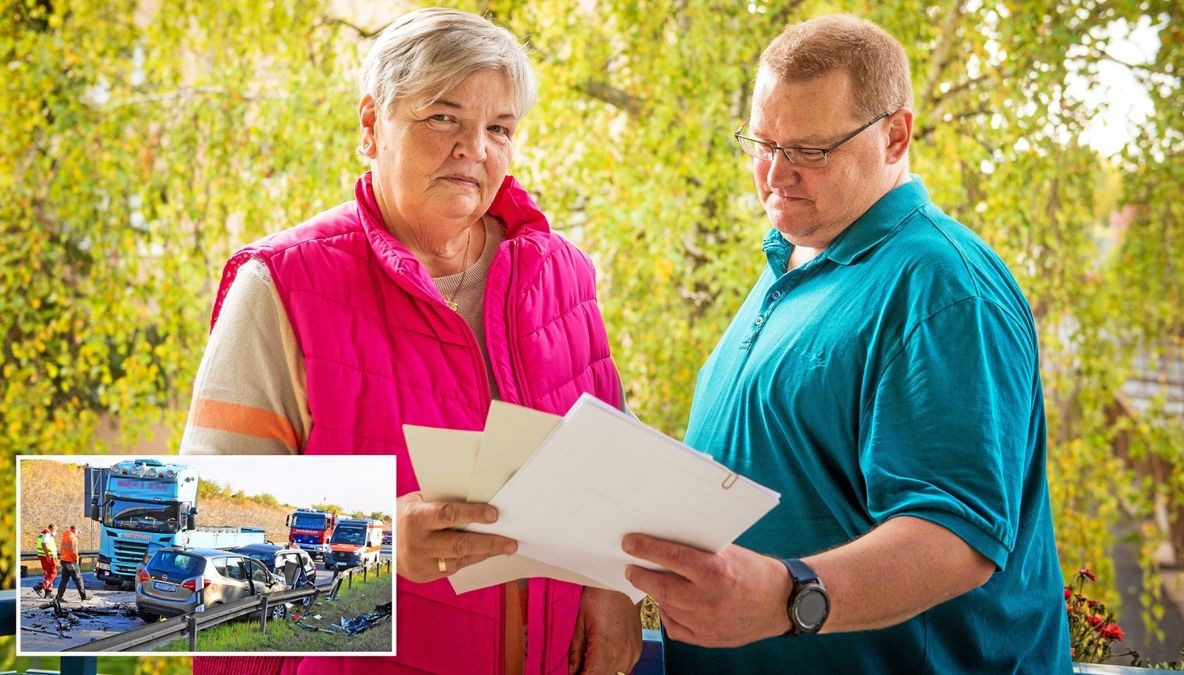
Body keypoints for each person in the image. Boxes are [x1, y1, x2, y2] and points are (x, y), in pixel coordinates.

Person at [180, 8, 641, 675]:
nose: (473, 149)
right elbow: (194, 534)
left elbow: (609, 469)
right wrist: (376, 541)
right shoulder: (280, 284)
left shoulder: (563, 275)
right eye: (443, 117)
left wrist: (615, 583)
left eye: (499, 128)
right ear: (371, 126)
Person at [622, 14, 1071, 673]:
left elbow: (957, 537)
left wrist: (786, 597)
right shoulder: (795, 263)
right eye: (761, 142)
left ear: (896, 135)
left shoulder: (942, 287)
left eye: (809, 151)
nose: (775, 173)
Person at [56, 525, 87, 603]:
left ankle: (59, 597)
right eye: (77, 532)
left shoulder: (65, 536)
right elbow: (73, 550)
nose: (77, 534)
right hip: (71, 561)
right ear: (74, 530)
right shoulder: (72, 537)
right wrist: (76, 560)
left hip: (64, 560)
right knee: (78, 579)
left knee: (64, 579)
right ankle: (83, 597)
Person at [34, 523, 57, 598]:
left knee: (48, 575)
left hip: (43, 556)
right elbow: (44, 544)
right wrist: (48, 555)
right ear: (52, 528)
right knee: (53, 573)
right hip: (48, 557)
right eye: (55, 530)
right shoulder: (47, 533)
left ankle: (48, 593)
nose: (56, 532)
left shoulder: (42, 533)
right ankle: (40, 586)